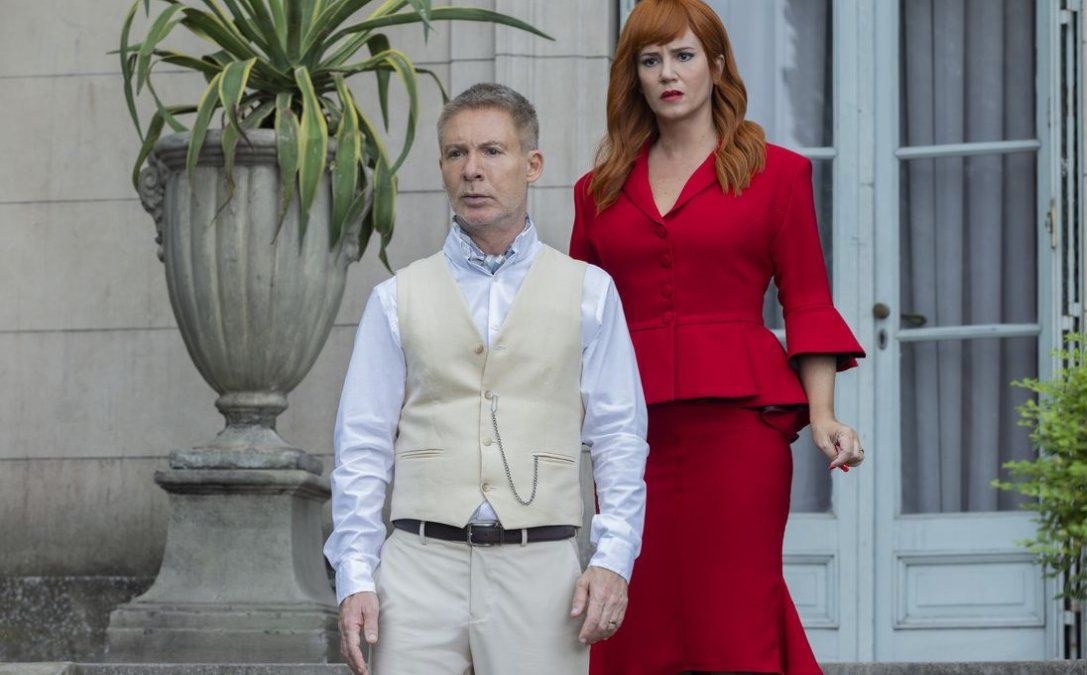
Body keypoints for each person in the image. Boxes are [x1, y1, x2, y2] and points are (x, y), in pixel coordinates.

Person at [570, 1, 866, 673]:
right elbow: (579, 322)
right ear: (634, 76)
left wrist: (823, 415)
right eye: (650, 61)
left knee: (735, 613)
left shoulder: (779, 174)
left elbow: (808, 301)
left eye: (683, 56)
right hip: (629, 436)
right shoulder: (597, 191)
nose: (667, 74)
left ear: (717, 64)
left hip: (740, 432)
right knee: (635, 613)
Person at [324, 82, 649, 675]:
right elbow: (362, 446)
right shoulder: (395, 298)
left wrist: (613, 558)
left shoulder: (590, 292)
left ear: (533, 165)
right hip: (417, 567)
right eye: (456, 153)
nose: (472, 170)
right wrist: (355, 573)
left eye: (492, 151)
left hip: (542, 569)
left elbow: (619, 437)